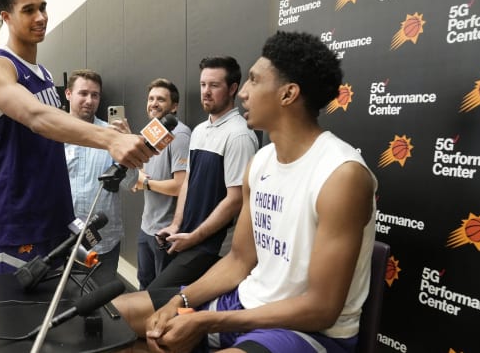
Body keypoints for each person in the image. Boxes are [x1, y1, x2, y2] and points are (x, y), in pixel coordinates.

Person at [113, 31, 378, 353]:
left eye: (254, 81)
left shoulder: (342, 175)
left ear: (288, 94)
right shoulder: (261, 162)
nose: (243, 94)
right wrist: (178, 301)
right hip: (241, 302)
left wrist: (207, 321)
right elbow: (239, 261)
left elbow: (322, 308)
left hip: (307, 332)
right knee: (114, 317)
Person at [0, 0, 154, 275]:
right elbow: (36, 116)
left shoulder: (42, 74)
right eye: (28, 10)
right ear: (6, 17)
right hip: (19, 225)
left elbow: (55, 127)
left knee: (59, 319)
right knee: (19, 320)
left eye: (42, 7)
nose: (41, 17)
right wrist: (110, 138)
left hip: (56, 219)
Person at [148, 56, 259, 290]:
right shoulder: (199, 130)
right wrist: (176, 226)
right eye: (203, 85)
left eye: (214, 85)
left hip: (213, 249)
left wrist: (194, 237)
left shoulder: (239, 135)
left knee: (154, 297)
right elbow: (188, 181)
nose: (206, 92)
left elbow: (236, 199)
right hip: (187, 239)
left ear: (233, 89)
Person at [63, 69, 139, 285]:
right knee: (65, 303)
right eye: (83, 93)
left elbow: (130, 182)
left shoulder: (113, 136)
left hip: (105, 241)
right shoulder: (55, 134)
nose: (89, 100)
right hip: (64, 240)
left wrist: (128, 147)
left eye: (95, 95)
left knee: (101, 307)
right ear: (69, 94)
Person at [132, 79, 191, 290]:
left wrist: (145, 183)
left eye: (161, 99)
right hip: (146, 227)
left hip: (164, 233)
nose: (154, 103)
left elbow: (180, 185)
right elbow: (143, 172)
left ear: (174, 106)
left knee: (161, 292)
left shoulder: (180, 135)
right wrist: (138, 178)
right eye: (151, 98)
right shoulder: (152, 132)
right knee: (144, 285)